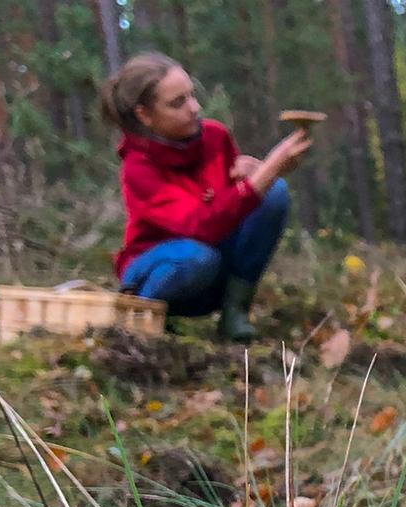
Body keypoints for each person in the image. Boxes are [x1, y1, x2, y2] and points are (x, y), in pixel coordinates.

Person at [99, 54, 312, 342]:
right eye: (178, 103)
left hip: (211, 272)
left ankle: (234, 312)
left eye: (191, 95)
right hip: (161, 267)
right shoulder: (139, 169)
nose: (194, 108)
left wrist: (249, 177)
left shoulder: (214, 136)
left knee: (273, 194)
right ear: (144, 115)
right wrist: (270, 169)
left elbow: (232, 206)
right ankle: (140, 317)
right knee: (198, 257)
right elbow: (201, 225)